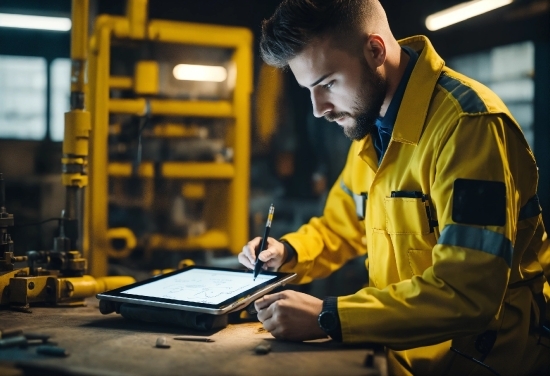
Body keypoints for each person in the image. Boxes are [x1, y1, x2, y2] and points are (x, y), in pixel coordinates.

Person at [238, 0, 550, 375]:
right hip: (402, 355)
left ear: (375, 51)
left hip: (483, 362)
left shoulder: (469, 129)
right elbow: (343, 225)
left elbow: (468, 294)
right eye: (309, 89)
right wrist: (287, 251)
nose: (319, 108)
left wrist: (329, 316)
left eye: (328, 83)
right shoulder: (374, 132)